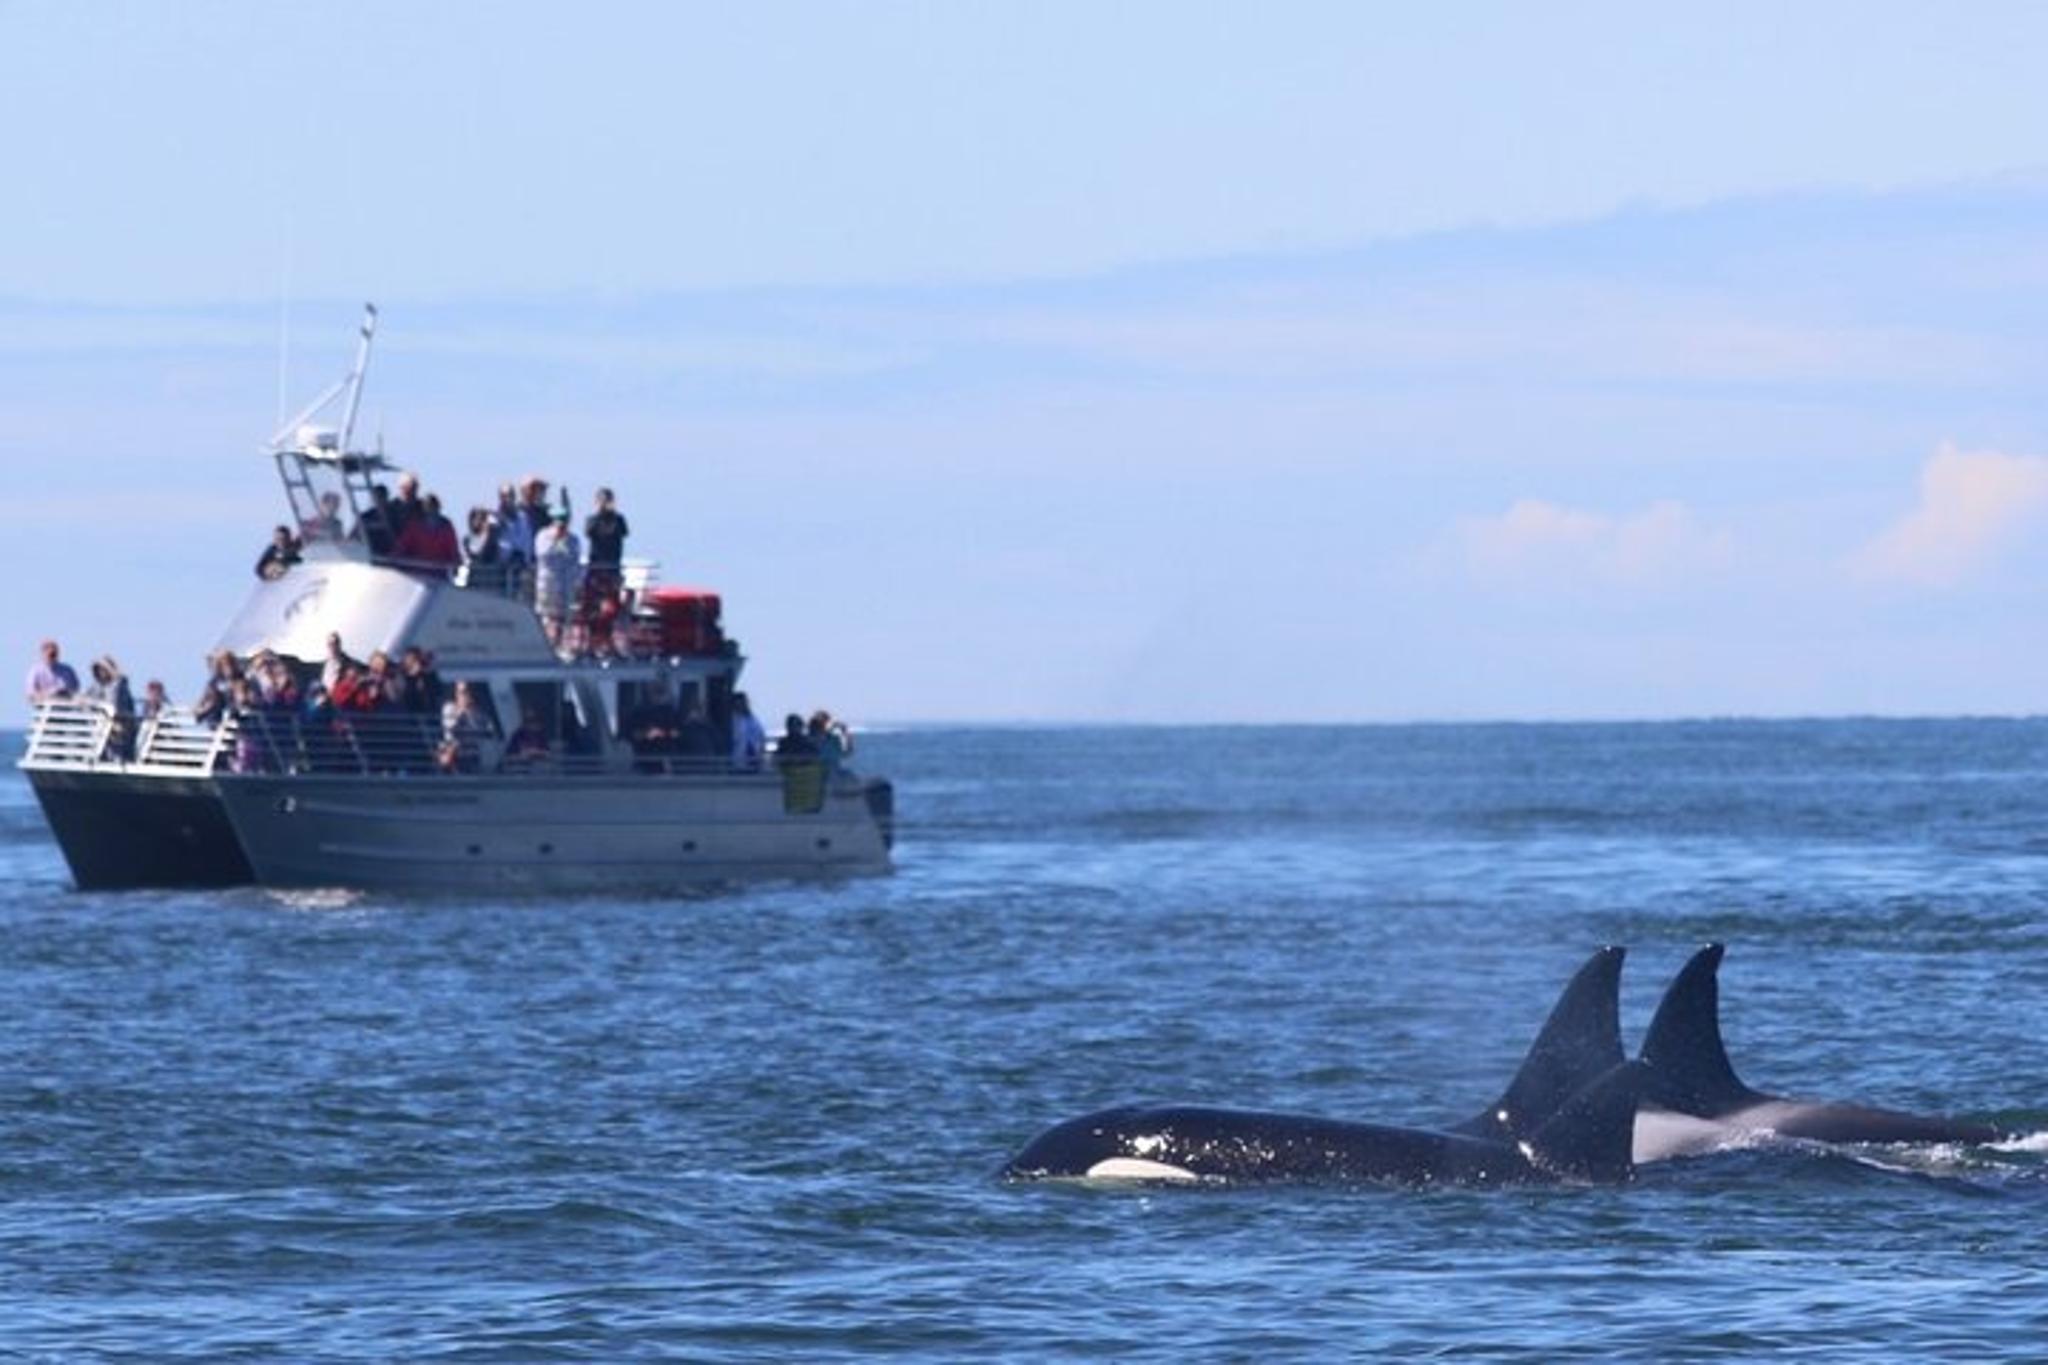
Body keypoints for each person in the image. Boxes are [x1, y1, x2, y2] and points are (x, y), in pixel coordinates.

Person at [533, 513, 583, 647]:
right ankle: (546, 644)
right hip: (547, 585)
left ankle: (560, 644)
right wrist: (556, 541)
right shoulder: (543, 536)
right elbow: (543, 555)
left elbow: (574, 558)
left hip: (566, 584)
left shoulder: (573, 539)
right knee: (547, 618)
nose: (561, 526)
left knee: (563, 619)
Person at [438, 680, 498, 773]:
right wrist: (461, 713)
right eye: (461, 692)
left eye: (466, 692)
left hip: (474, 754)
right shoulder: (449, 708)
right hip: (456, 754)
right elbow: (450, 732)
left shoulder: (479, 713)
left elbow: (489, 731)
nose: (464, 696)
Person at [394, 492, 461, 572]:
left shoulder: (446, 526)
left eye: (433, 505)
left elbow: (453, 551)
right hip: (417, 573)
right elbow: (402, 546)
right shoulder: (415, 526)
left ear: (438, 507)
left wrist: (456, 565)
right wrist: (393, 559)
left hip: (439, 574)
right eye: (427, 506)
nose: (430, 509)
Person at [462, 505, 505, 592]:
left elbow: (490, 554)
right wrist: (487, 535)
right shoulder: (467, 539)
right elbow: (477, 554)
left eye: (483, 519)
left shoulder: (493, 538)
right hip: (474, 580)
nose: (481, 522)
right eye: (479, 519)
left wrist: (495, 517)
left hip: (490, 582)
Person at [24, 639, 80, 704]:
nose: (52, 657)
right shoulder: (35, 671)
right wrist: (49, 694)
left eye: (54, 654)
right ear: (43, 653)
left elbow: (76, 689)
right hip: (46, 708)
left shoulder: (67, 670)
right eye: (50, 654)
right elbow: (30, 694)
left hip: (67, 706)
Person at [730, 692, 766, 770]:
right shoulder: (732, 720)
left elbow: (761, 736)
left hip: (755, 758)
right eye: (738, 703)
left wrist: (761, 753)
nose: (740, 705)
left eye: (743, 702)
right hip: (738, 759)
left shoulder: (753, 719)